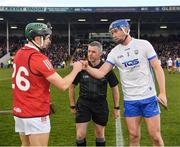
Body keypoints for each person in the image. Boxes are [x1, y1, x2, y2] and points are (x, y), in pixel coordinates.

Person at [83, 19, 167, 146]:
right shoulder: (114, 52)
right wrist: (86, 67)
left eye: (116, 31)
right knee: (133, 136)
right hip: (130, 101)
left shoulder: (144, 45)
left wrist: (163, 93)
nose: (113, 35)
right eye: (112, 33)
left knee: (155, 136)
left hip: (148, 98)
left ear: (125, 30)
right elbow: (100, 73)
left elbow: (157, 67)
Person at [12, 22, 82, 146]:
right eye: (48, 37)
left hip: (21, 112)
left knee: (25, 145)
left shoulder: (19, 53)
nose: (49, 40)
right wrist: (76, 69)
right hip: (35, 114)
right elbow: (63, 85)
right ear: (38, 38)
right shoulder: (39, 58)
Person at [68, 41, 120, 146]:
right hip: (84, 103)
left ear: (100, 54)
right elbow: (71, 86)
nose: (90, 54)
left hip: (100, 104)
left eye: (93, 52)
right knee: (80, 135)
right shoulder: (81, 68)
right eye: (89, 51)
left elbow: (114, 88)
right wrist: (72, 105)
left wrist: (116, 107)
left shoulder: (107, 68)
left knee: (100, 134)